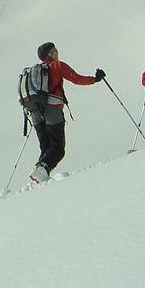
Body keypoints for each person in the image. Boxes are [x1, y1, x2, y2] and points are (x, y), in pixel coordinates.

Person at [27, 42, 105, 184]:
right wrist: (95, 79)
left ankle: (38, 173)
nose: (57, 53)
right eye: (55, 51)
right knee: (58, 148)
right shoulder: (57, 66)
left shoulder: (34, 71)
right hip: (52, 109)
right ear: (51, 53)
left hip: (34, 111)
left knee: (46, 147)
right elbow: (76, 78)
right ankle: (41, 172)